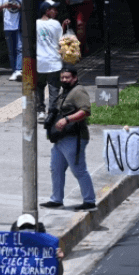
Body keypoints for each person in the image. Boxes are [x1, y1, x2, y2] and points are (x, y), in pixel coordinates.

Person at [41, 66, 96, 210]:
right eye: (62, 78)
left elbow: (85, 111)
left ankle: (89, 201)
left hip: (74, 137)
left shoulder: (78, 91)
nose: (64, 80)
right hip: (60, 138)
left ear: (75, 78)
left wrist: (67, 120)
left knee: (78, 169)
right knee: (56, 168)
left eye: (67, 77)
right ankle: (56, 199)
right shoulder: (64, 93)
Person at [33, 0, 63, 123]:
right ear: (47, 10)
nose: (56, 11)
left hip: (40, 61)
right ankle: (51, 113)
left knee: (39, 87)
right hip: (54, 61)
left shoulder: (34, 24)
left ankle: (40, 111)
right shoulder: (56, 24)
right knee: (54, 89)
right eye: (53, 9)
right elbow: (61, 42)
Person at [0, 0, 23, 79]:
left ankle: (19, 70)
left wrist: (18, 7)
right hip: (8, 25)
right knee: (11, 50)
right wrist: (4, 6)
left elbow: (27, 7)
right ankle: (14, 70)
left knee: (20, 48)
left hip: (19, 24)